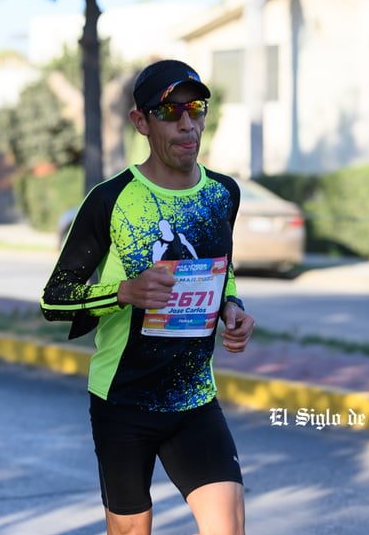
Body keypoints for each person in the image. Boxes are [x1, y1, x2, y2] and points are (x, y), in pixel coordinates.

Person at [40, 58, 255, 535]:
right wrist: (124, 292)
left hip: (195, 399)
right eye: (169, 112)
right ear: (141, 122)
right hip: (123, 402)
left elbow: (222, 270)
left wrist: (232, 309)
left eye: (196, 108)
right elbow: (54, 299)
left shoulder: (223, 194)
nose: (187, 123)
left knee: (228, 528)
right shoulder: (110, 199)